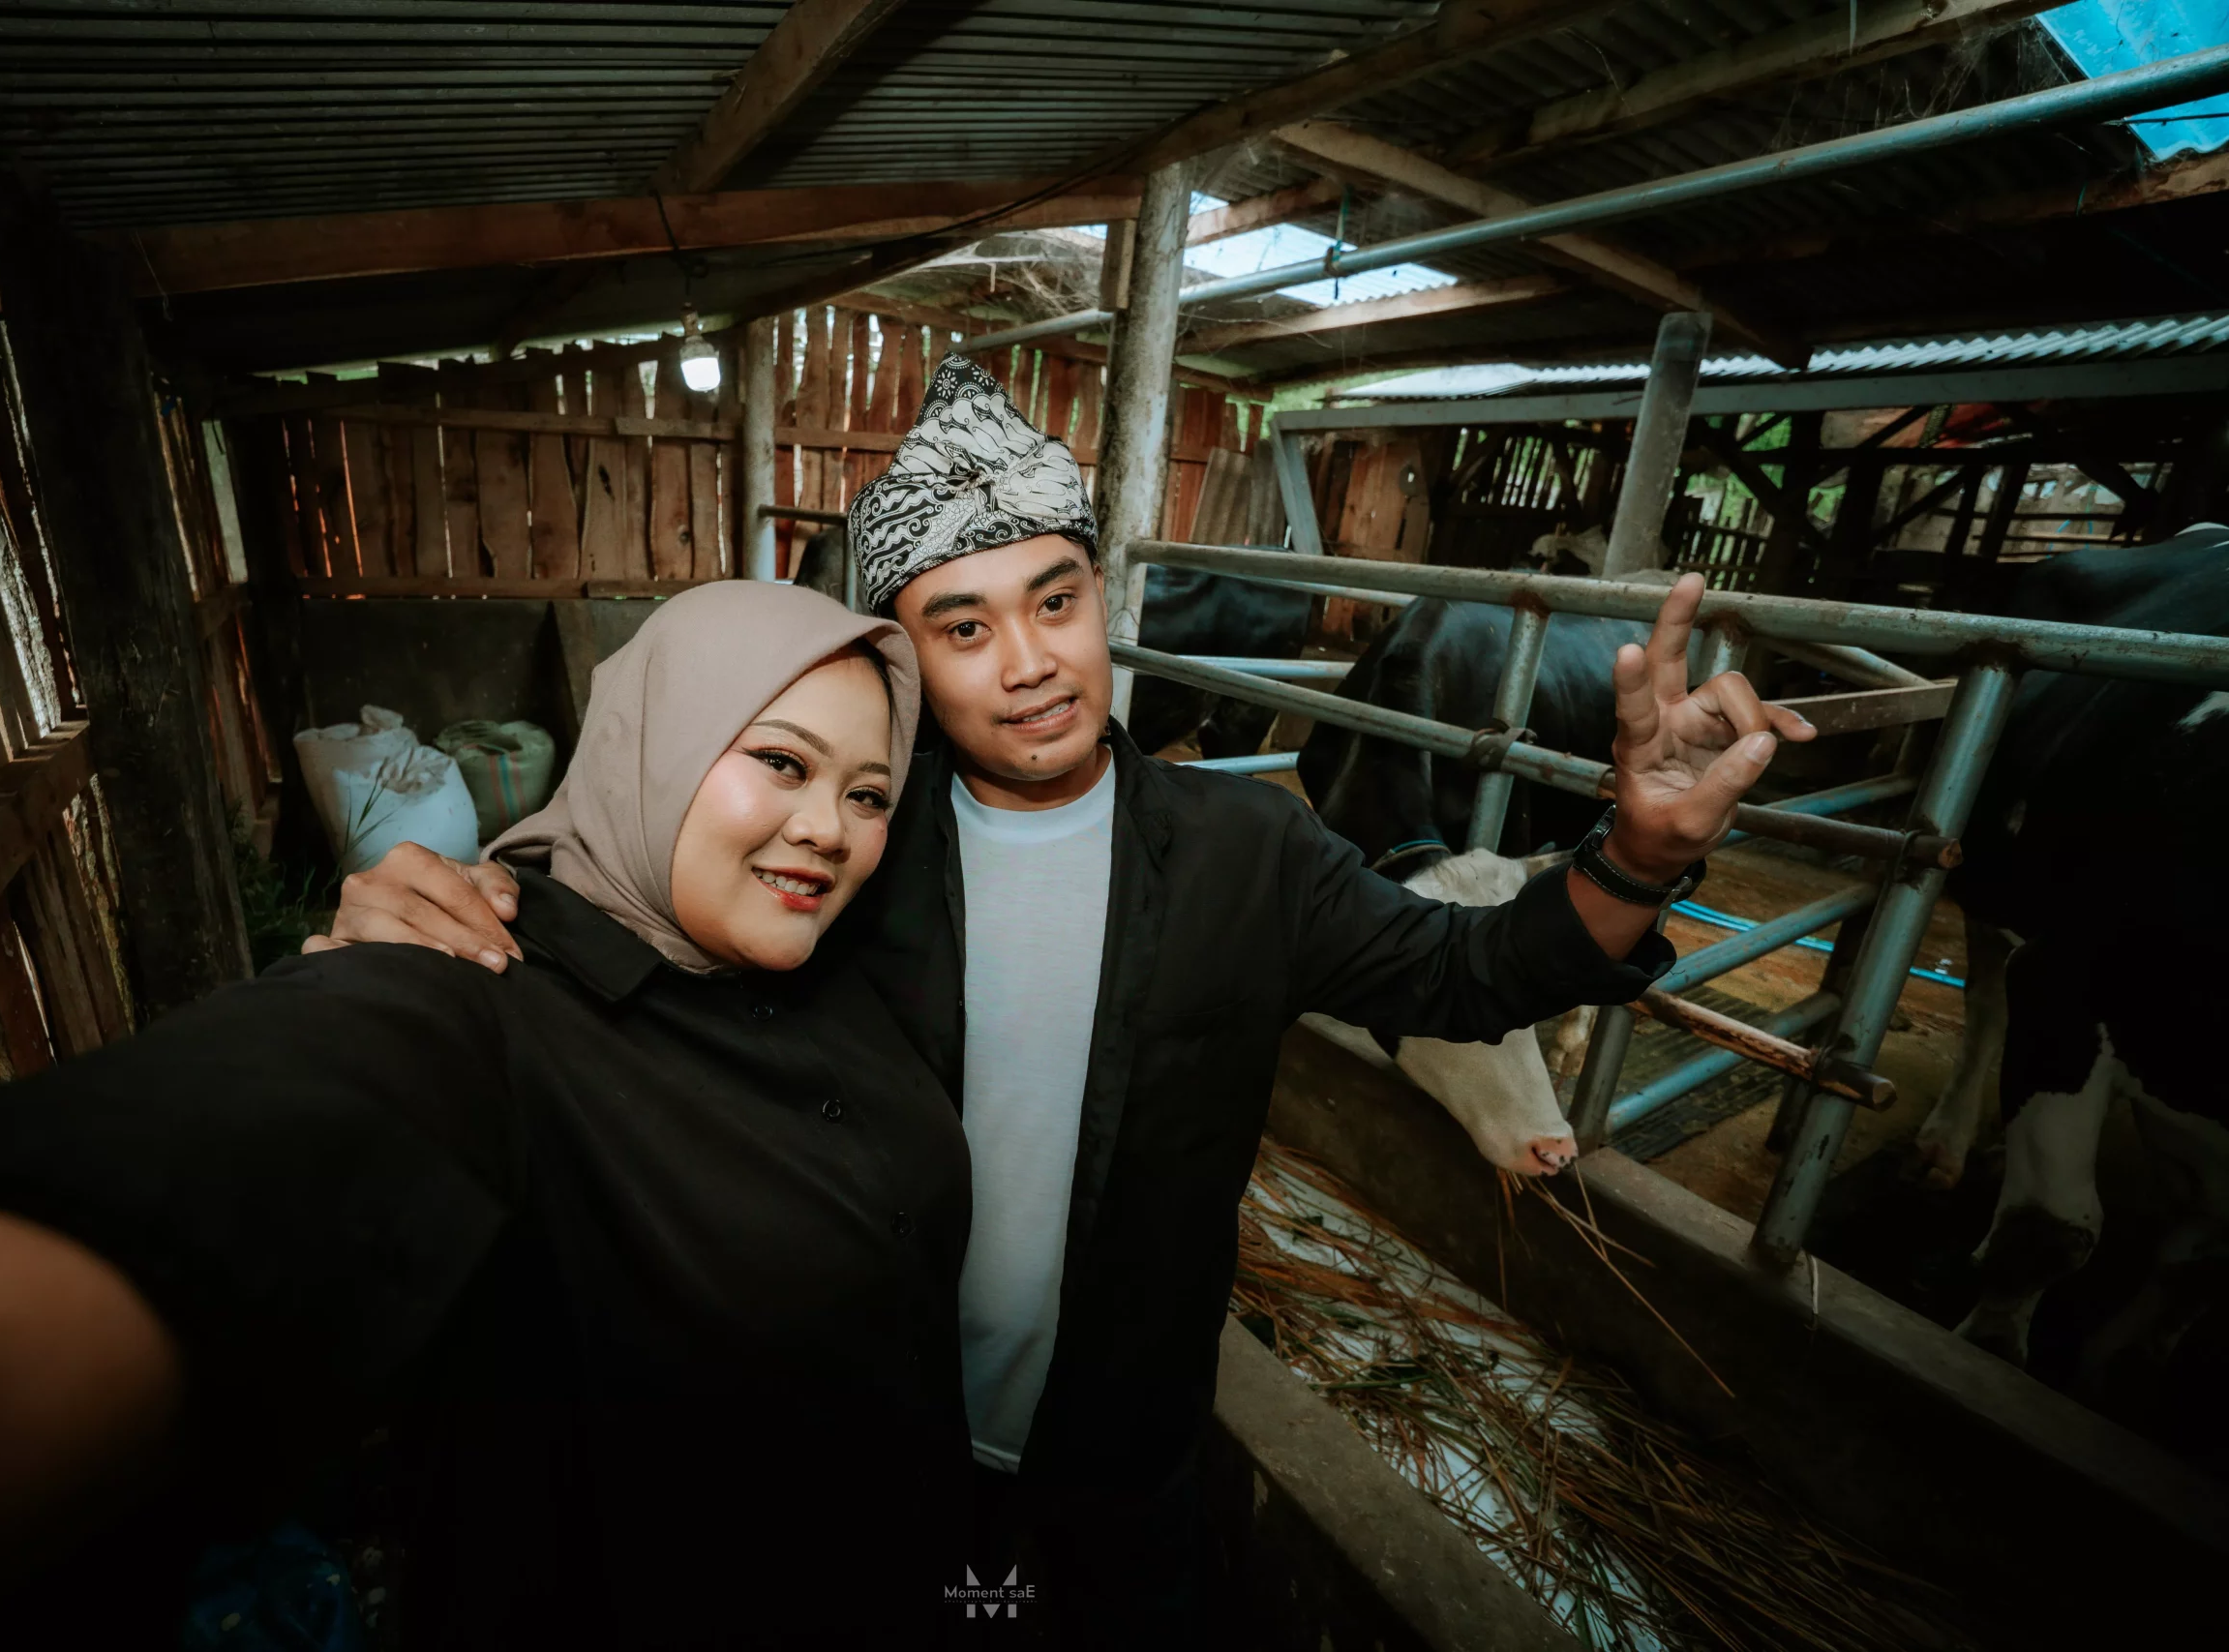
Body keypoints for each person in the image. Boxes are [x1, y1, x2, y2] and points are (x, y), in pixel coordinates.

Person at [319, 355, 1820, 1641]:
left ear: (1106, 596)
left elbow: (1468, 971)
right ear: (905, 657)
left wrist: (1636, 852)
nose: (1031, 662)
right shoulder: (844, 853)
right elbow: (631, 909)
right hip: (862, 1436)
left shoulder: (1244, 854)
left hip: (1117, 1449)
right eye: (964, 625)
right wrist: (446, 907)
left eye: (1057, 598)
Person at [0, 583, 972, 1651]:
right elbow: (283, 1117)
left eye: (867, 792)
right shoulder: (476, 987)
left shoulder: (840, 959)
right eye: (782, 763)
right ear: (653, 744)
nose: (831, 827)